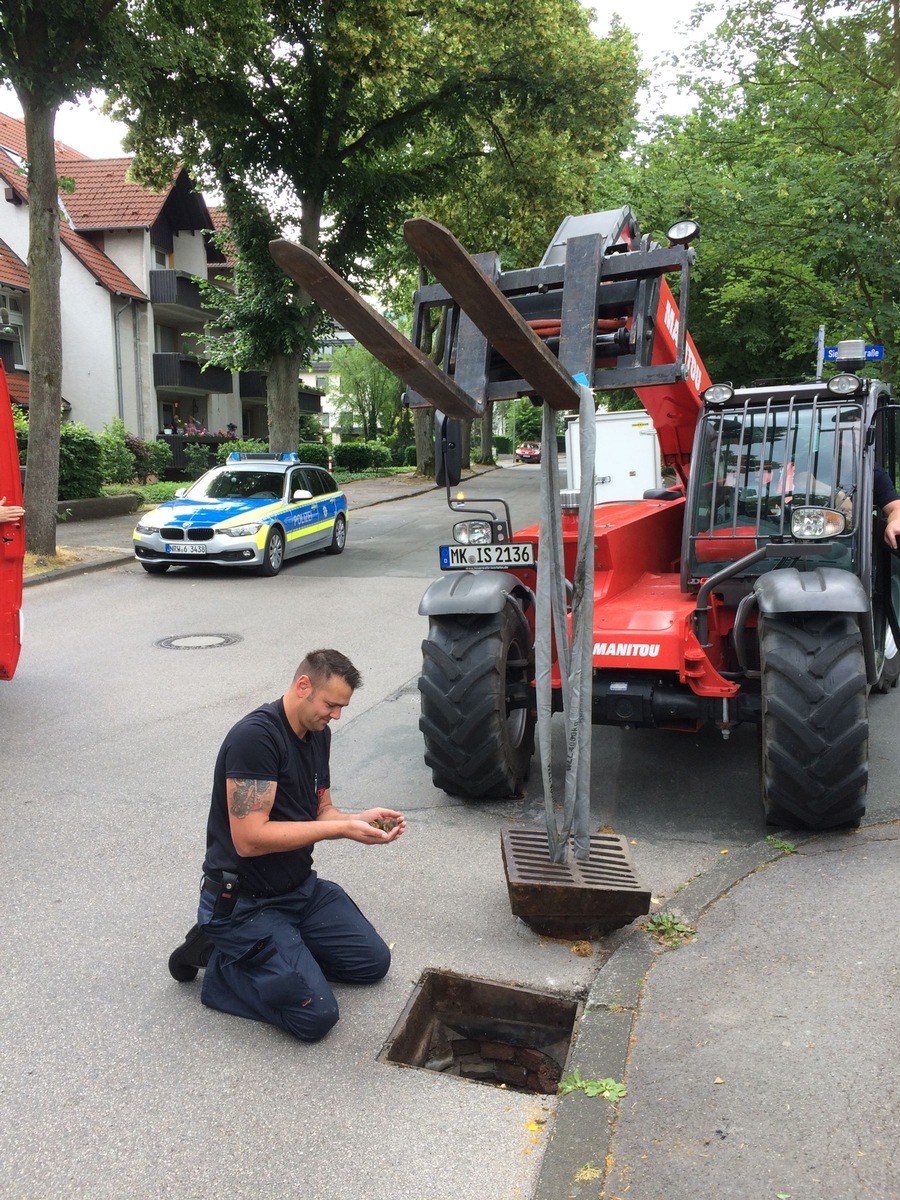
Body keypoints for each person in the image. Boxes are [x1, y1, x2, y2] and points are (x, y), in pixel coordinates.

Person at [168, 648, 405, 1042]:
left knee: (372, 965)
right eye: (331, 705)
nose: (337, 716)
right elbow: (249, 839)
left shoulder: (317, 734)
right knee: (315, 1017)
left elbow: (322, 809)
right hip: (244, 904)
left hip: (299, 891)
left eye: (342, 707)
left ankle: (284, 954)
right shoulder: (255, 739)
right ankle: (218, 959)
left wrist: (354, 820)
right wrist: (338, 831)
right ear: (303, 685)